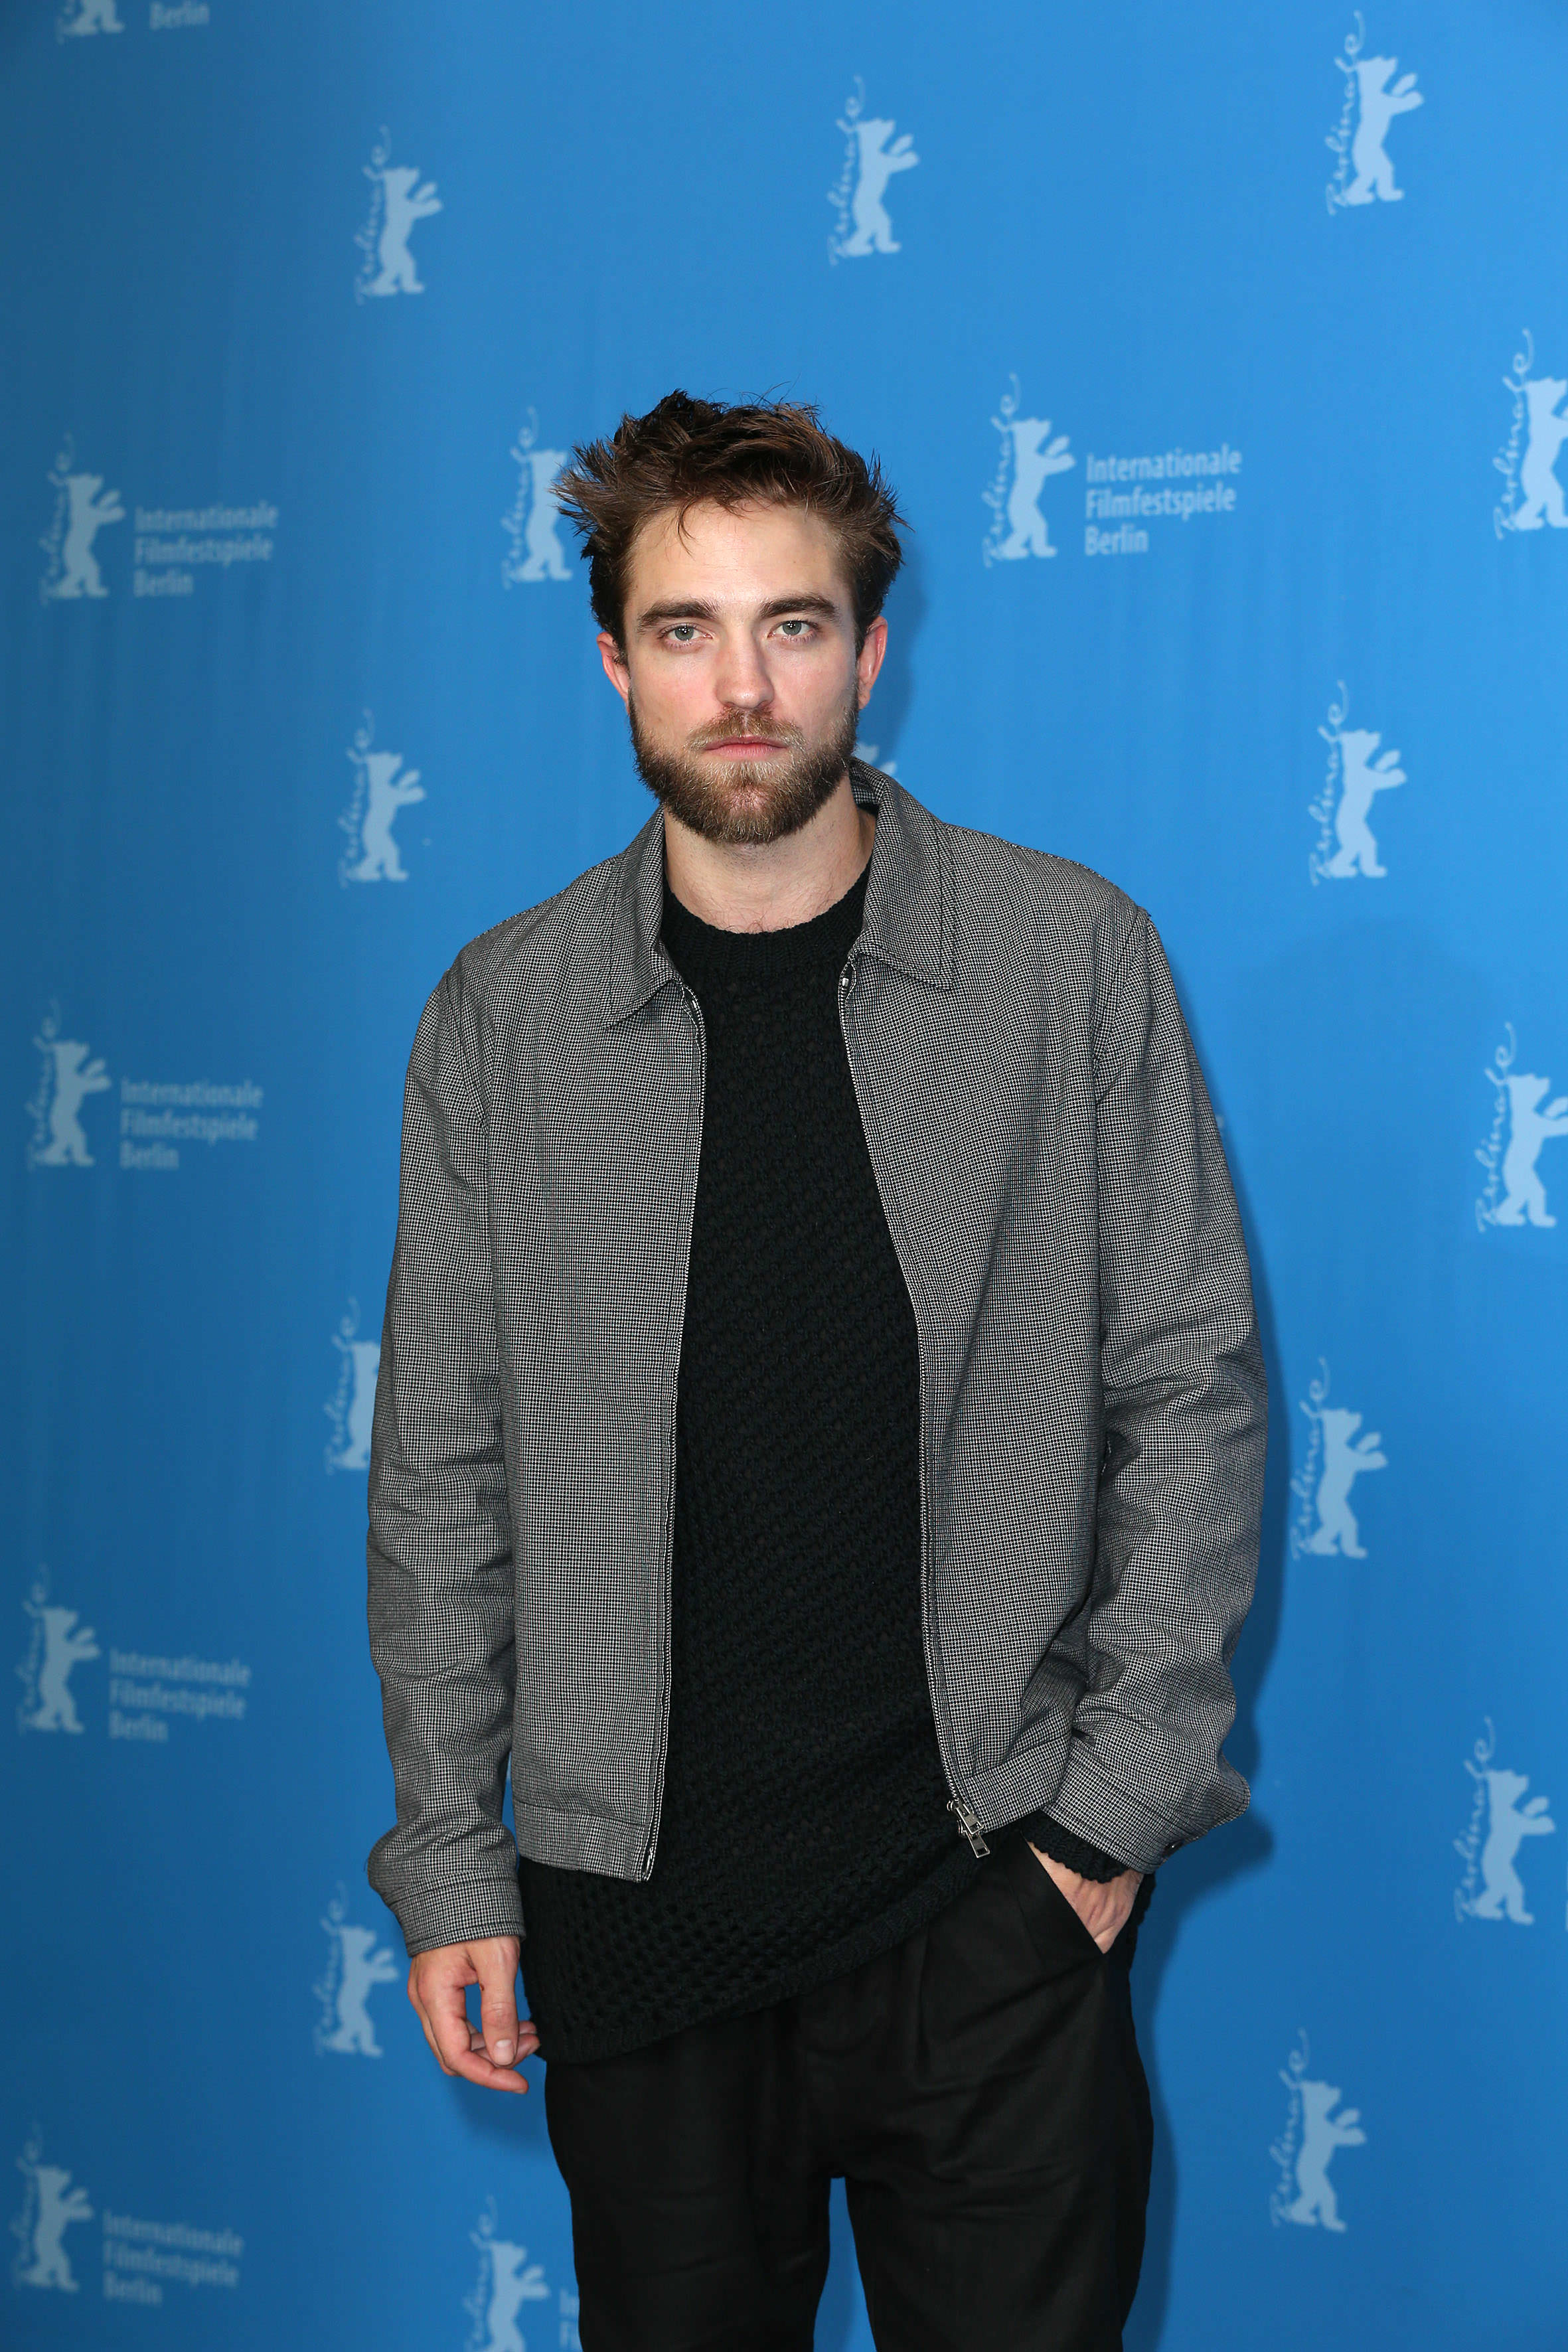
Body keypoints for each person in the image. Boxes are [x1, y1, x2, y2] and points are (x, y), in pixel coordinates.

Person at [365, 392, 1267, 2350]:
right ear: (615, 662)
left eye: (793, 624)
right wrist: (451, 1858)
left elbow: (1188, 1391)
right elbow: (443, 1469)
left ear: (868, 650)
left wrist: (1103, 1825)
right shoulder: (505, 1020)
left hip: (989, 1900)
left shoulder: (1061, 962)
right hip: (637, 1929)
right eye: (684, 630)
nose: (743, 686)